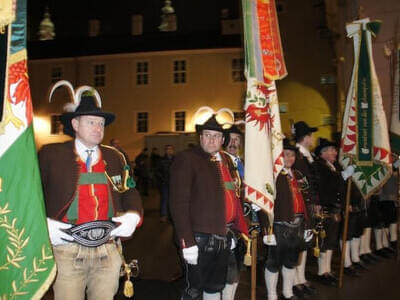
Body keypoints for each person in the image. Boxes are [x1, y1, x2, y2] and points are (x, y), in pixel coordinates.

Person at [39, 85, 143, 300]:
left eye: (101, 123)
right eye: (91, 122)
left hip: (108, 249)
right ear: (75, 124)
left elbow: (129, 190)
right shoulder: (51, 155)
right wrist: (43, 224)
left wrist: (134, 214)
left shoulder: (115, 157)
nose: (98, 128)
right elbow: (33, 195)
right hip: (67, 251)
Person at [169, 115, 248, 300]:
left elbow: (232, 197)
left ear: (222, 140)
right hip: (198, 238)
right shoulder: (187, 159)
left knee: (215, 287)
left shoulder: (226, 162)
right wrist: (187, 242)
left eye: (216, 136)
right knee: (193, 290)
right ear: (200, 137)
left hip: (224, 235)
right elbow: (178, 204)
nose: (212, 139)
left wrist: (234, 230)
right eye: (207, 135)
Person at [256, 138, 311, 300]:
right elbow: (262, 203)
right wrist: (267, 230)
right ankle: (272, 295)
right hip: (279, 226)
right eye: (286, 155)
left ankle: (288, 292)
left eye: (292, 155)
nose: (289, 158)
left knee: (291, 261)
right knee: (273, 263)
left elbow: (306, 201)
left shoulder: (298, 174)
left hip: (298, 225)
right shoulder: (271, 176)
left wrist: (308, 225)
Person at [312, 138, 354, 286]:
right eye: (332, 150)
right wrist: (342, 176)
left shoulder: (334, 166)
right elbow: (325, 184)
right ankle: (321, 271)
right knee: (324, 241)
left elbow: (340, 189)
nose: (335, 153)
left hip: (335, 208)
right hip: (325, 208)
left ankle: (327, 269)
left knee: (331, 241)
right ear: (323, 153)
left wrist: (344, 204)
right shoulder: (319, 166)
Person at [291, 121, 319, 297]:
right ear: (306, 137)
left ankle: (300, 278)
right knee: (298, 243)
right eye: (311, 135)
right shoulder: (296, 156)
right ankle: (294, 280)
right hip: (300, 204)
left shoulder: (308, 156)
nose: (313, 138)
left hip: (309, 204)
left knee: (305, 242)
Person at [222, 124, 246, 300]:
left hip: (242, 222)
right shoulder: (220, 161)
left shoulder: (241, 162)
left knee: (237, 267)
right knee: (227, 271)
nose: (233, 142)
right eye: (230, 138)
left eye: (237, 139)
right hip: (225, 224)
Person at [157, 144, 175, 223]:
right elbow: (157, 171)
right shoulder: (161, 160)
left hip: (174, 184)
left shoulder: (176, 159)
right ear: (165, 150)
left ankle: (172, 215)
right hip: (165, 183)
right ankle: (164, 215)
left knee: (174, 200)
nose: (169, 150)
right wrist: (162, 179)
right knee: (165, 199)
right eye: (167, 149)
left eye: (171, 149)